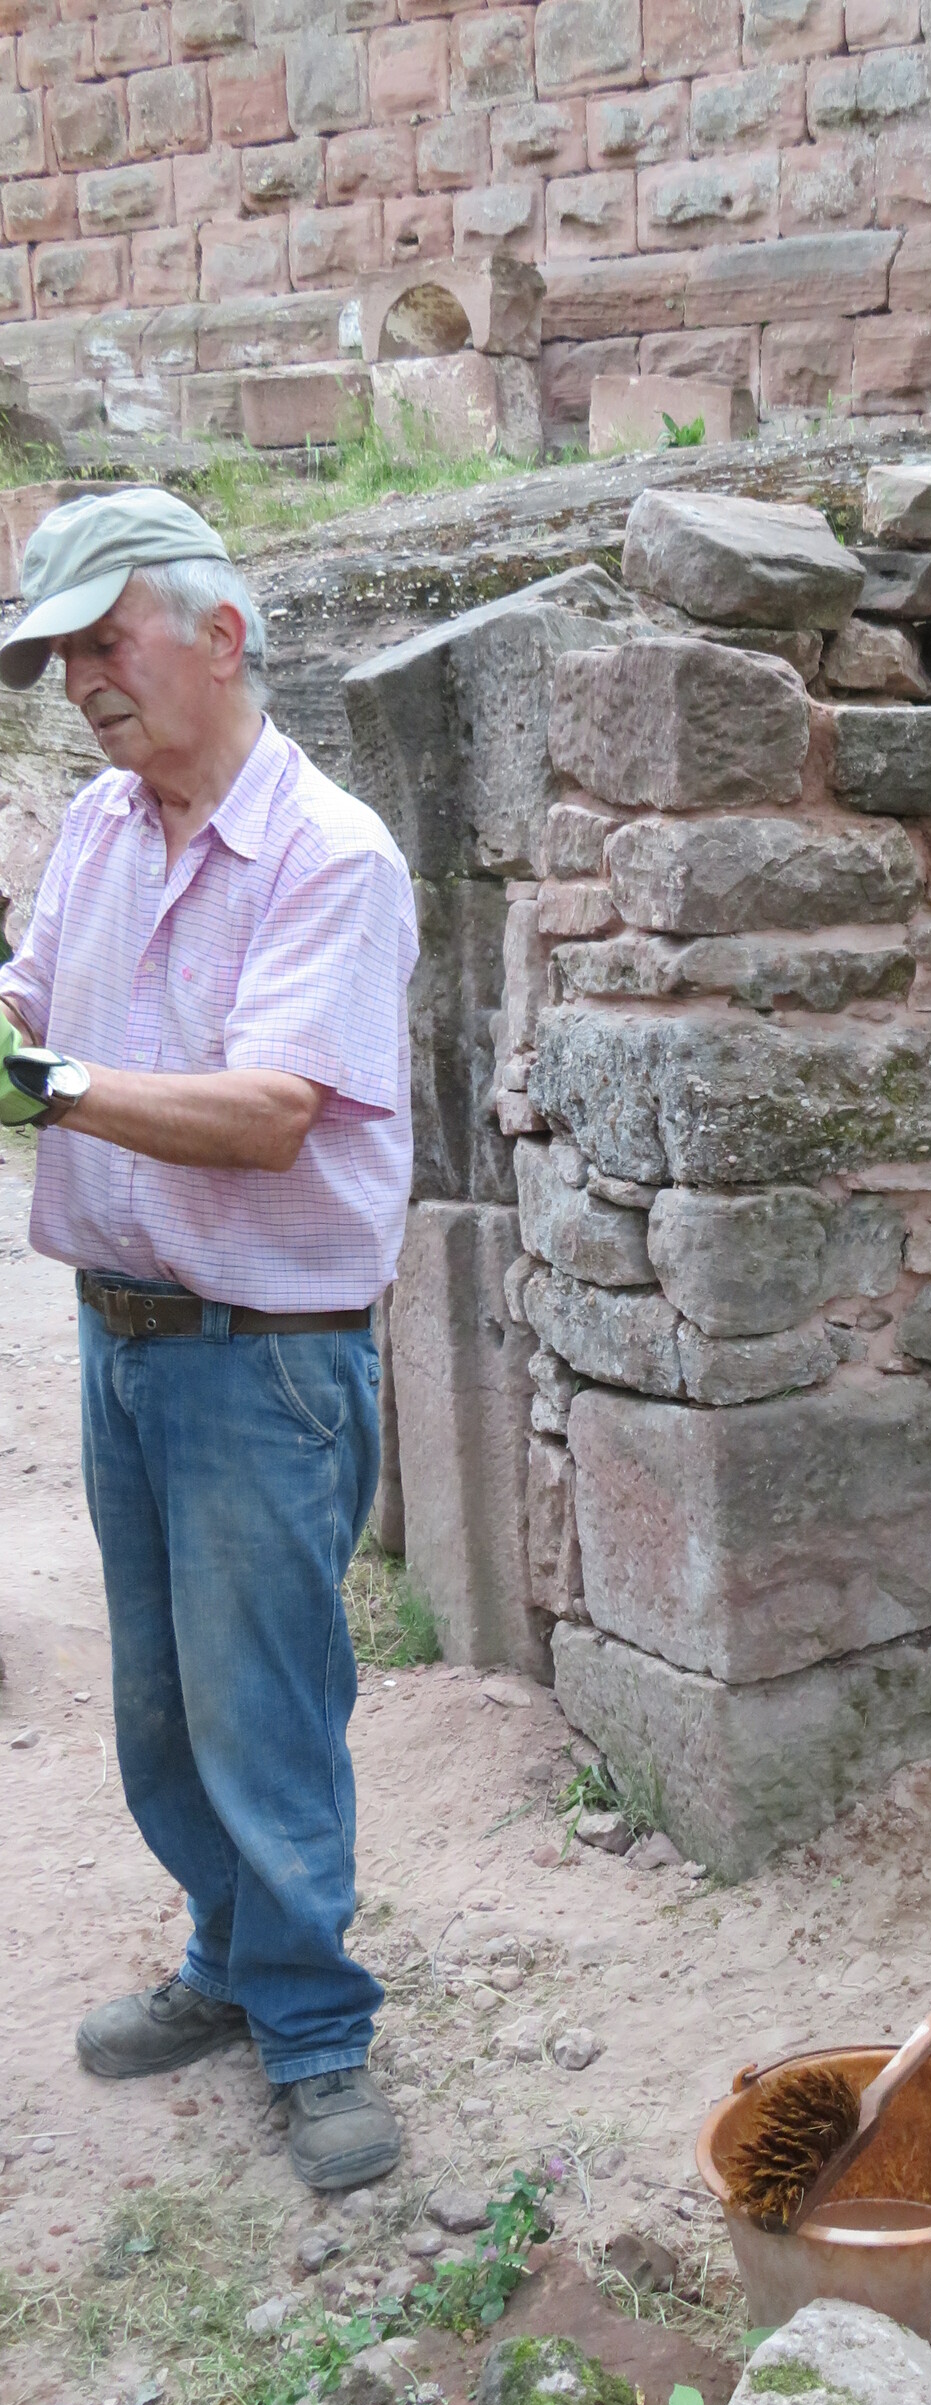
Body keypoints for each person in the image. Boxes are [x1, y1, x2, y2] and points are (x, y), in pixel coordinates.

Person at [0, 489, 419, 2192]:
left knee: (266, 1710)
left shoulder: (333, 852)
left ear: (222, 633)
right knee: (165, 1711)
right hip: (125, 1340)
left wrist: (44, 1087)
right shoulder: (101, 828)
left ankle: (316, 2032)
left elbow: (269, 1113)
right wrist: (12, 1034)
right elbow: (32, 1006)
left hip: (265, 1360)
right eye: (60, 659)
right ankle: (229, 1963)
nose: (82, 683)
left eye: (107, 642)